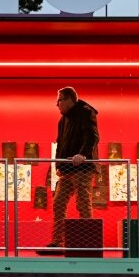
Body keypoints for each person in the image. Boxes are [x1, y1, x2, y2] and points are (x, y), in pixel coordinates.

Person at [46, 87, 100, 251]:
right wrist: (58, 165)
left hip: (83, 168)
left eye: (60, 100)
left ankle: (88, 243)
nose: (57, 104)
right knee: (58, 203)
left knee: (82, 203)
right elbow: (59, 144)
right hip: (67, 170)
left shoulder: (86, 112)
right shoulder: (62, 120)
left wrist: (82, 154)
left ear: (70, 99)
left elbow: (93, 136)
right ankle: (57, 242)